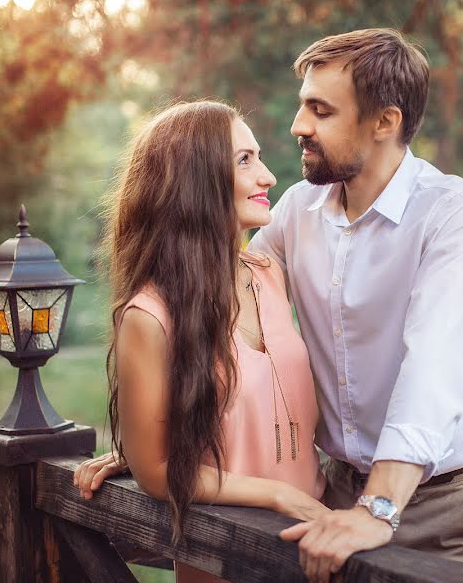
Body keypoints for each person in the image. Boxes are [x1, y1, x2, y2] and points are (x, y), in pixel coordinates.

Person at [250, 28, 463, 581]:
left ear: (385, 121)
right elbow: (228, 306)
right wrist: (158, 447)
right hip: (332, 494)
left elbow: (434, 365)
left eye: (320, 110)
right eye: (303, 106)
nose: (298, 126)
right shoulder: (297, 209)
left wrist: (379, 506)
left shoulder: (455, 212)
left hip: (443, 507)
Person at [72, 100, 327, 583]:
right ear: (194, 180)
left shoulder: (268, 274)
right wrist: (276, 494)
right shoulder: (149, 317)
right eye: (245, 160)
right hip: (226, 558)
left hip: (314, 550)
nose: (269, 175)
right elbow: (156, 472)